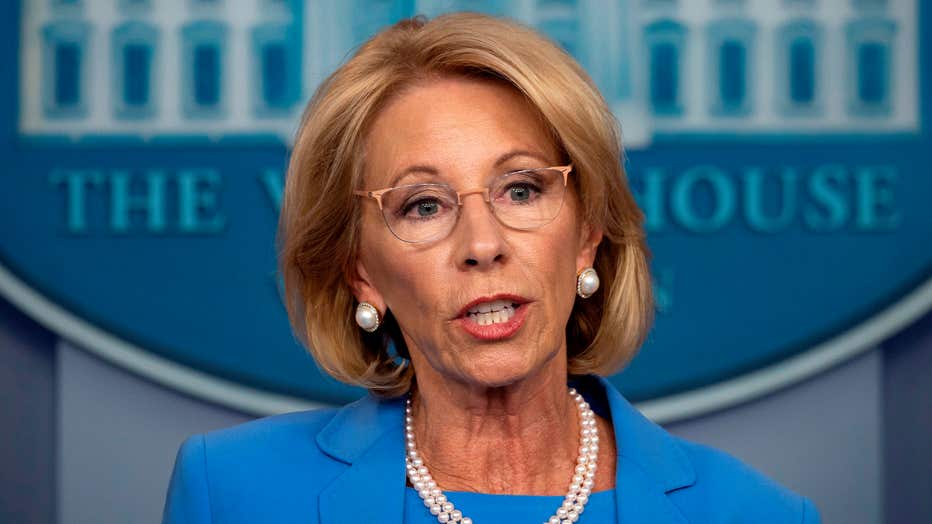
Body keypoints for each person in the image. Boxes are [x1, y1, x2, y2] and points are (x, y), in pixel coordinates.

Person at [162, 12, 821, 523]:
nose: (483, 243)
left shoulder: (756, 513)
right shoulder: (234, 492)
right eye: (423, 205)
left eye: (522, 190)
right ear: (360, 270)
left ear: (587, 236)